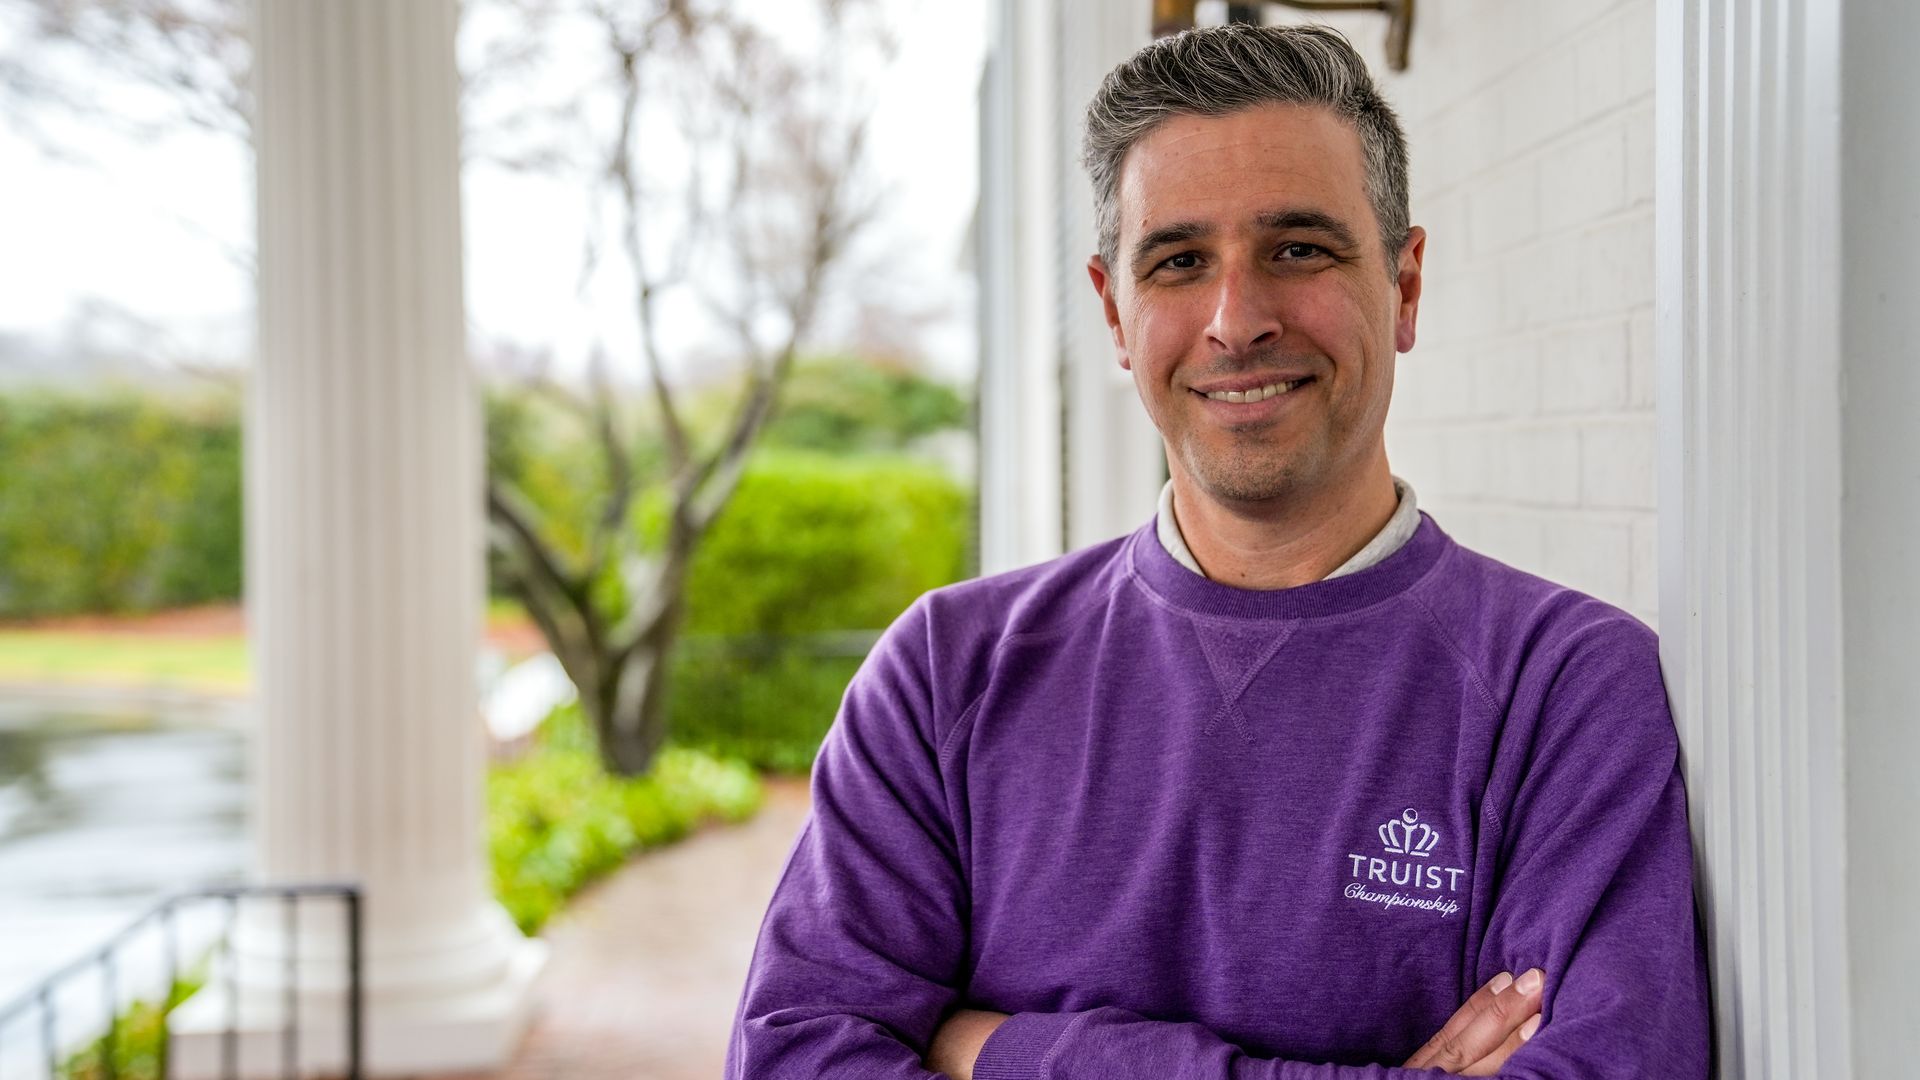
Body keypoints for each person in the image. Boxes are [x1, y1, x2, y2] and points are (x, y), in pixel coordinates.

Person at [726, 23, 1710, 1080]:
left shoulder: (1564, 691)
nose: (1236, 320)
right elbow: (798, 1058)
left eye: (1299, 249)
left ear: (1406, 284)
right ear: (1115, 310)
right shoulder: (944, 674)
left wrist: (1012, 1052)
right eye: (1180, 261)